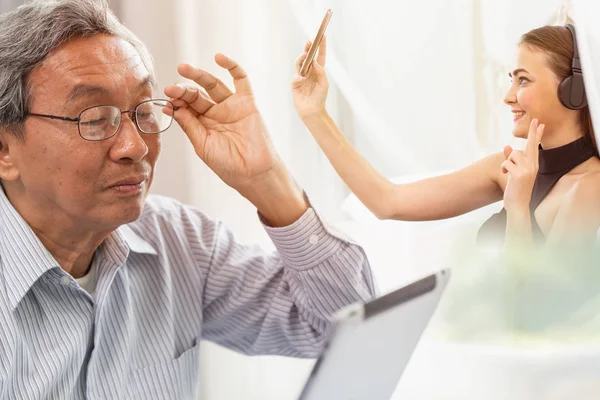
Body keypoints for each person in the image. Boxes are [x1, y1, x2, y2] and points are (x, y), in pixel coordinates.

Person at [0, 1, 376, 398]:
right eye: (94, 118)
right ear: (6, 150)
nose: (134, 146)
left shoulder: (178, 240)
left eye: (144, 111)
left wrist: (267, 180)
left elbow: (346, 328)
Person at [292, 26, 600, 248]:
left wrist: (518, 208)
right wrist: (314, 114)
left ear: (573, 90)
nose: (508, 96)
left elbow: (542, 311)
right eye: (512, 80)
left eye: (523, 80)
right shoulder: (506, 168)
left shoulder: (589, 188)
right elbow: (387, 201)